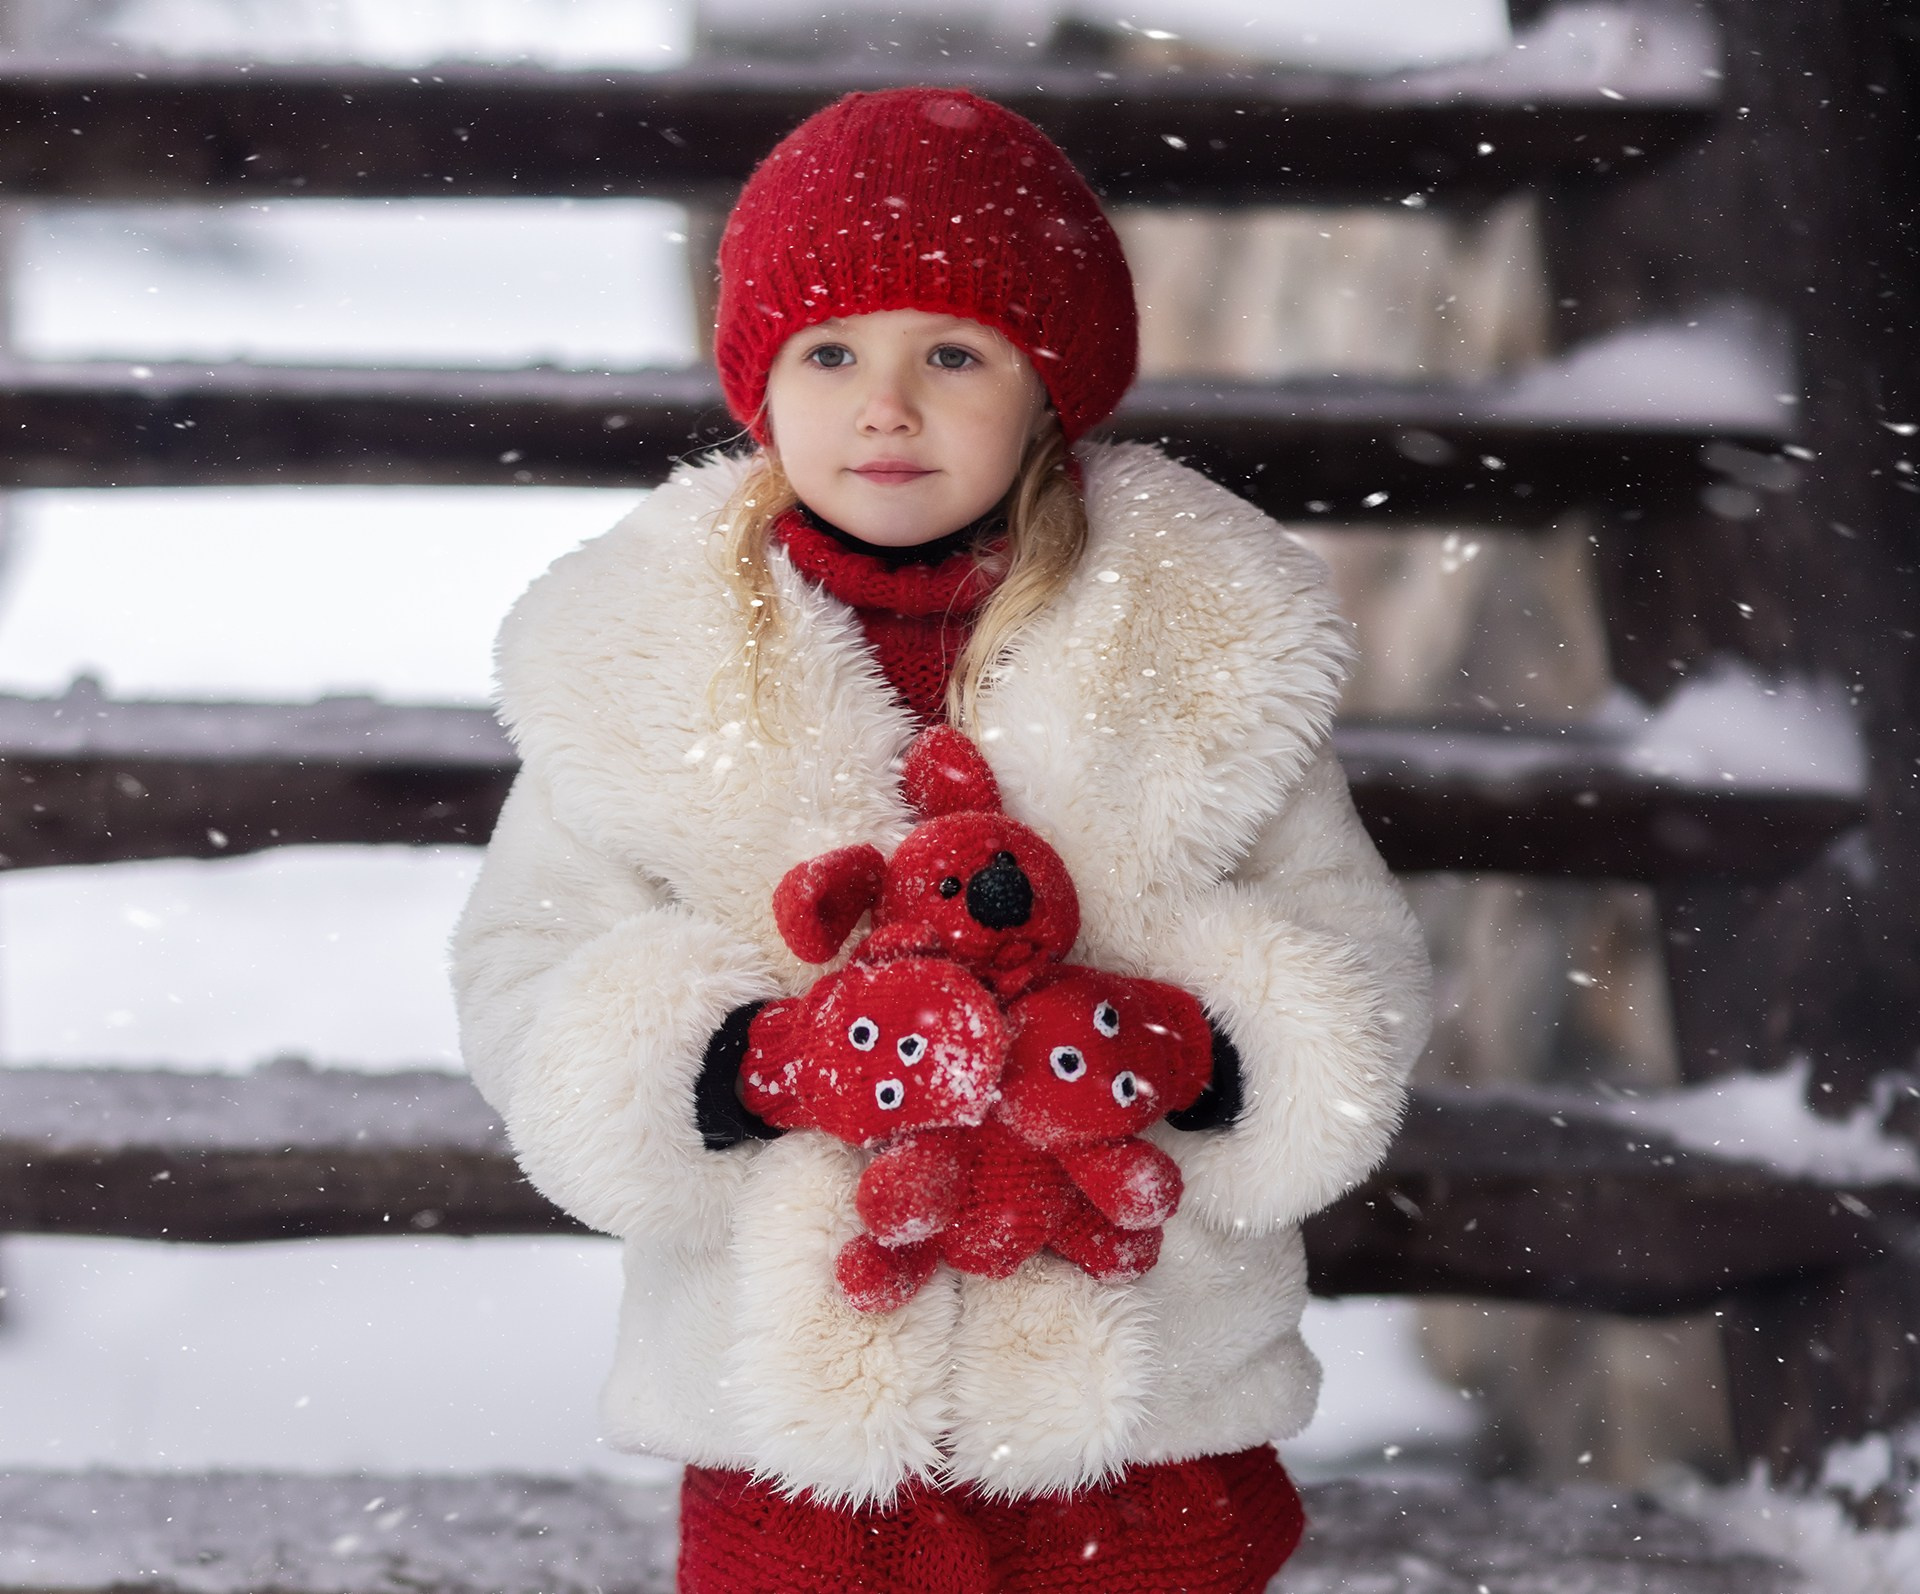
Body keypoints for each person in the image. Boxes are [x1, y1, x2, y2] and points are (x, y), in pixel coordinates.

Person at [452, 86, 1430, 1593]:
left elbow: (1349, 960)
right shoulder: (644, 657)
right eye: (831, 352)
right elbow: (526, 971)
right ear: (759, 383)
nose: (883, 403)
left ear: (1049, 389)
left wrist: (1181, 1044)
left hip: (1142, 1406)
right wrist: (750, 1062)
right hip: (795, 1416)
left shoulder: (1200, 649)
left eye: (952, 355)